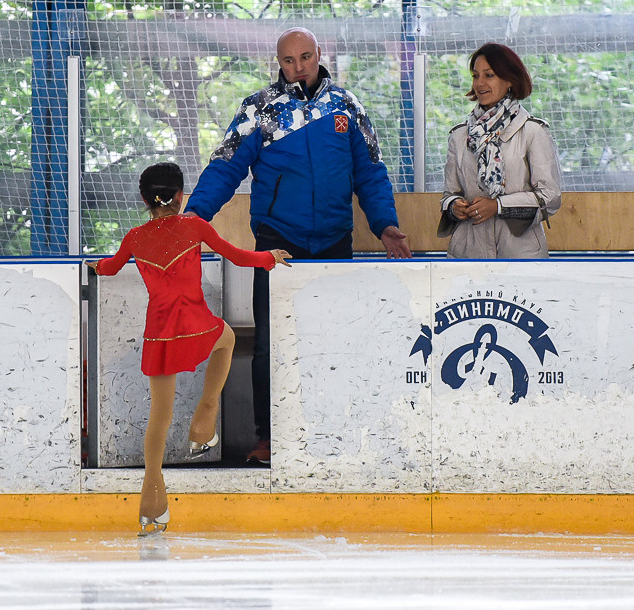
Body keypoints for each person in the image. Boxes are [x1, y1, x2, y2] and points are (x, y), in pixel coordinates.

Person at [185, 27, 412, 466]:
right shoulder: (260, 109)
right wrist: (196, 215)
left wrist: (385, 224)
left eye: (305, 57)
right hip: (278, 246)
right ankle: (268, 437)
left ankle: (334, 432)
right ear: (279, 64)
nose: (298, 67)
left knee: (334, 341)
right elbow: (226, 165)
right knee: (271, 344)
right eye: (289, 61)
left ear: (319, 54)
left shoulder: (347, 106)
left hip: (334, 242)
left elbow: (371, 172)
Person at [86, 162, 291, 536]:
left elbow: (111, 268)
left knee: (159, 415)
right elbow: (238, 256)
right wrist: (269, 257)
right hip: (195, 322)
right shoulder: (194, 227)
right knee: (226, 339)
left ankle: (151, 496)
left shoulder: (134, 237)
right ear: (181, 196)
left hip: (160, 333)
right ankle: (204, 417)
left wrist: (96, 266)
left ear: (145, 200)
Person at [439, 42, 562, 258]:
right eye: (475, 76)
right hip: (467, 254)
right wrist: (454, 206)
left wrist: (498, 206)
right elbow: (450, 194)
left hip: (522, 256)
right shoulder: (459, 136)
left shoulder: (533, 132)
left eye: (489, 75)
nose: (480, 83)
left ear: (510, 80)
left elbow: (549, 198)